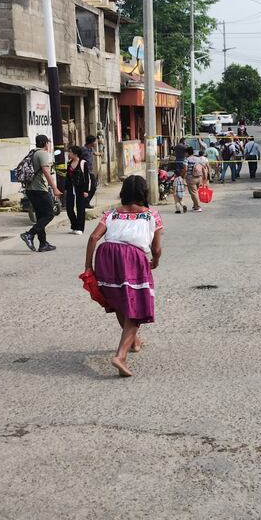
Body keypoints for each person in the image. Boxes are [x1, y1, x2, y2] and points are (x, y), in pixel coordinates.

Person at [84, 175, 163, 377]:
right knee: (137, 309)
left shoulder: (111, 213)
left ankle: (134, 342)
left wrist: (88, 267)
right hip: (132, 258)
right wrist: (155, 261)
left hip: (106, 255)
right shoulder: (151, 215)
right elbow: (157, 247)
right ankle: (120, 356)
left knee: (120, 301)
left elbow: (94, 237)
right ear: (143, 193)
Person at [20, 134, 62, 252]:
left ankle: (43, 244)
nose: (49, 145)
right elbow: (46, 172)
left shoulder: (33, 152)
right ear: (45, 143)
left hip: (30, 189)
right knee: (49, 214)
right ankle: (29, 234)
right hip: (39, 190)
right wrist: (54, 188)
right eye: (48, 142)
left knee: (40, 217)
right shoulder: (43, 154)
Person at [64, 145, 92, 235]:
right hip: (70, 188)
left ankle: (80, 228)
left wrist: (86, 190)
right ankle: (74, 225)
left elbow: (87, 178)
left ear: (75, 154)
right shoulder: (69, 163)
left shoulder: (83, 163)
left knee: (80, 208)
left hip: (80, 188)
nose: (69, 153)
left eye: (70, 152)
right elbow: (67, 176)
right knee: (69, 208)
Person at [183, 146, 204, 212]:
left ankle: (198, 207)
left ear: (187, 153)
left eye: (185, 153)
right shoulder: (198, 159)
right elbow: (203, 167)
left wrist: (182, 176)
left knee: (193, 193)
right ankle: (195, 206)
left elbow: (185, 169)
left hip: (191, 178)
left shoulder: (187, 159)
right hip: (199, 177)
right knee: (195, 192)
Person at [82, 135, 98, 208]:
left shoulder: (90, 149)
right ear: (91, 142)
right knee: (86, 188)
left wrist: (98, 154)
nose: (96, 143)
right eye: (94, 141)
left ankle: (86, 201)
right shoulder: (83, 150)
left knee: (94, 187)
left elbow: (94, 153)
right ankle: (85, 202)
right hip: (85, 172)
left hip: (90, 171)